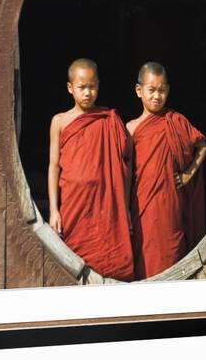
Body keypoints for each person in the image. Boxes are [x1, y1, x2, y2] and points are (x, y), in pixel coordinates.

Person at [47, 58, 134, 282]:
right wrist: (54, 210)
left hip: (106, 207)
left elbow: (126, 160)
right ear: (70, 88)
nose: (87, 93)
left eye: (92, 86)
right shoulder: (60, 121)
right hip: (74, 205)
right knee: (71, 265)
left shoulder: (109, 120)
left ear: (99, 85)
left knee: (109, 262)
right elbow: (53, 166)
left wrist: (125, 206)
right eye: (81, 87)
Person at [127, 62, 206, 280]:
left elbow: (202, 146)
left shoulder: (176, 121)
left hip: (170, 204)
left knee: (171, 252)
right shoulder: (131, 129)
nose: (157, 96)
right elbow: (123, 173)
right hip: (141, 204)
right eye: (151, 90)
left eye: (162, 91)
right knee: (145, 255)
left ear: (168, 91)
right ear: (139, 91)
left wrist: (189, 173)